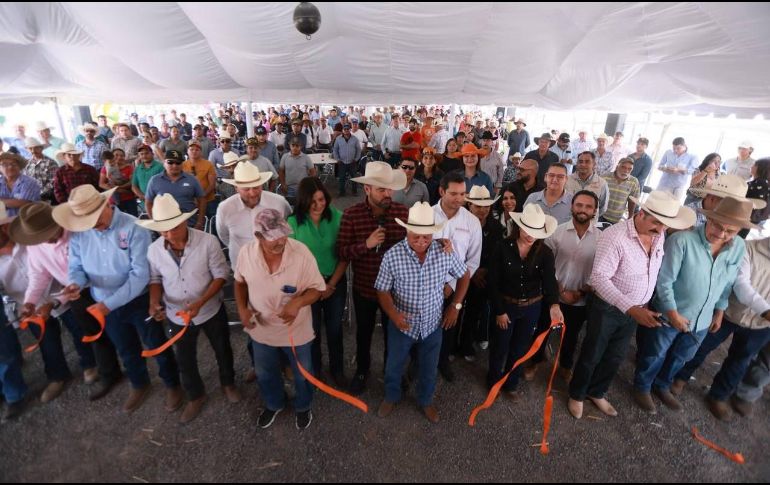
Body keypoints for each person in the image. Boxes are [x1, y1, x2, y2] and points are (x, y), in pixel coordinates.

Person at [53, 185, 183, 413]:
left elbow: (140, 274)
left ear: (107, 204)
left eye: (94, 218)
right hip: (104, 301)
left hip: (136, 301)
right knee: (125, 347)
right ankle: (139, 383)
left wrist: (108, 304)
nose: (92, 225)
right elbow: (76, 267)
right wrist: (75, 283)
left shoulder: (134, 227)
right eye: (87, 221)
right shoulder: (79, 234)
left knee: (156, 344)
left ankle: (172, 384)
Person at [567, 191, 695, 419]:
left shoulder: (658, 234)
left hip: (636, 309)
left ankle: (597, 392)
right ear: (641, 213)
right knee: (592, 353)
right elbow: (599, 278)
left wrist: (640, 306)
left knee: (615, 355)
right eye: (657, 222)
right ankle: (577, 394)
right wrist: (631, 308)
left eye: (665, 225)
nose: (661, 229)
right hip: (607, 308)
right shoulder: (615, 236)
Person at [632, 196, 750, 414]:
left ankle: (662, 385)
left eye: (730, 231)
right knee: (654, 353)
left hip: (703, 319)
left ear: (738, 231)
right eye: (718, 226)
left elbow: (728, 281)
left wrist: (720, 310)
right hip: (669, 314)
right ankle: (642, 386)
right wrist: (673, 313)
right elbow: (664, 281)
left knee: (682, 356)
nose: (721, 234)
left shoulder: (738, 247)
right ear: (709, 219)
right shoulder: (681, 241)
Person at [140, 194, 239, 423]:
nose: (168, 235)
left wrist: (201, 302)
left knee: (223, 349)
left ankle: (228, 383)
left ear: (184, 222)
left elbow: (221, 275)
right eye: (162, 230)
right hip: (176, 315)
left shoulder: (208, 242)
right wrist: (154, 303)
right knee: (184, 359)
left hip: (210, 310)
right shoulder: (154, 250)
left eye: (172, 228)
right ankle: (196, 395)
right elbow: (155, 279)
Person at [375, 202, 469, 423]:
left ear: (433, 233)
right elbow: (382, 289)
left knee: (429, 368)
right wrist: (394, 315)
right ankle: (391, 396)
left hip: (432, 324)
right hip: (402, 324)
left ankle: (425, 401)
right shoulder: (393, 255)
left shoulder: (444, 250)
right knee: (393, 366)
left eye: (426, 237)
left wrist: (455, 306)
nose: (420, 241)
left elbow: (464, 276)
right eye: (415, 236)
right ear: (406, 230)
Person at [234, 209, 324, 430]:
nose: (281, 240)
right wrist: (242, 309)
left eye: (283, 233)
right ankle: (274, 404)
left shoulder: (301, 253)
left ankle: (303, 406)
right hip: (261, 330)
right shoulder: (246, 253)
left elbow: (317, 289)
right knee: (265, 373)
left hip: (296, 330)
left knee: (303, 375)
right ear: (258, 236)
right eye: (273, 236)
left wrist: (298, 302)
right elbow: (239, 282)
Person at [672, 227, 770, 421]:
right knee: (701, 346)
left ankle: (719, 396)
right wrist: (766, 311)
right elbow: (741, 285)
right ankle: (680, 376)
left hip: (760, 326)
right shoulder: (749, 248)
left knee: (741, 360)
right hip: (729, 313)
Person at [338, 162, 408, 395]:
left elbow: (416, 246)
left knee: (394, 334)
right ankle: (362, 370)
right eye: (381, 189)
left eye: (389, 189)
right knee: (364, 332)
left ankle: (392, 371)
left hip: (396, 291)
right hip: (365, 288)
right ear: (367, 189)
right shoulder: (351, 215)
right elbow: (341, 252)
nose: (388, 194)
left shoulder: (401, 213)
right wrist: (365, 245)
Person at [487, 204, 563, 400]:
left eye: (536, 232)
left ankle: (511, 383)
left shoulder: (545, 253)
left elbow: (549, 281)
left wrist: (554, 305)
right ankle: (494, 381)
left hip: (532, 307)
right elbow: (493, 282)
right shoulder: (502, 248)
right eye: (527, 230)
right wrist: (499, 311)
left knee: (520, 348)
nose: (531, 235)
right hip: (506, 306)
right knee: (500, 346)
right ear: (519, 227)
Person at [287, 178, 348, 386]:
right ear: (303, 202)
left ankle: (337, 369)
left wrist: (331, 285)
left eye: (321, 199)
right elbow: (292, 261)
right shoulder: (293, 223)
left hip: (334, 282)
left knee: (334, 329)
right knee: (310, 330)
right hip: (307, 286)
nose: (318, 205)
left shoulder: (338, 217)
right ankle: (315, 370)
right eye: (312, 201)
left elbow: (344, 255)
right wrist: (312, 287)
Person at [544, 191, 601, 381]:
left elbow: (601, 270)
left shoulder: (601, 238)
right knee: (543, 330)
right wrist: (560, 290)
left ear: (594, 211)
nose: (582, 210)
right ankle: (535, 361)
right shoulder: (557, 231)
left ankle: (565, 365)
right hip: (552, 294)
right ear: (572, 206)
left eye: (588, 206)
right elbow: (545, 263)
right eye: (579, 205)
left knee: (571, 336)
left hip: (580, 298)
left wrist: (580, 292)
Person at [432, 172, 482, 381]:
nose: (459, 199)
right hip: (426, 285)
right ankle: (418, 364)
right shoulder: (426, 215)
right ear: (442, 191)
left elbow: (472, 261)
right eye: (454, 193)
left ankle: (443, 361)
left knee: (448, 327)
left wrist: (452, 285)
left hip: (456, 288)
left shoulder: (472, 222)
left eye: (463, 194)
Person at [216, 162, 292, 270]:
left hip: (275, 265)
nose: (252, 193)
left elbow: (289, 226)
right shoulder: (225, 209)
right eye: (246, 189)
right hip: (242, 267)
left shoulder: (278, 202)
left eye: (256, 187)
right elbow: (224, 236)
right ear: (236, 188)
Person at [459, 186, 503, 360]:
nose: (483, 210)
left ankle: (466, 344)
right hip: (461, 273)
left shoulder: (496, 228)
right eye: (478, 206)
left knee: (474, 312)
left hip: (483, 278)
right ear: (470, 206)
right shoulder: (461, 224)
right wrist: (472, 271)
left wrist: (482, 271)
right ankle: (452, 345)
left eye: (486, 206)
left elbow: (497, 254)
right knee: (456, 310)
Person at [602, 157, 641, 224]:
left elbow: (632, 201)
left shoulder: (634, 182)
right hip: (601, 214)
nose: (626, 171)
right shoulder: (605, 177)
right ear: (617, 167)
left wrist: (630, 217)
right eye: (623, 167)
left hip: (617, 218)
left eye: (629, 169)